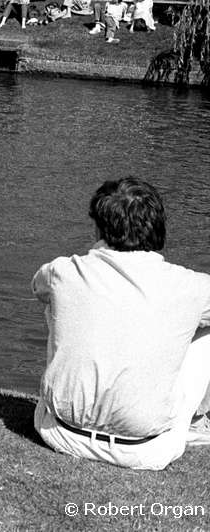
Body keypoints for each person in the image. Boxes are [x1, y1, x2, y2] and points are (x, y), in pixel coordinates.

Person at [33, 177, 210, 470]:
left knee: (57, 300)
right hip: (145, 451)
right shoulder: (190, 286)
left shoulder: (63, 270)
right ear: (158, 228)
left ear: (99, 228)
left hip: (60, 433)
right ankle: (196, 422)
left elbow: (38, 288)